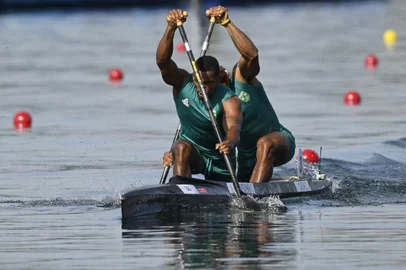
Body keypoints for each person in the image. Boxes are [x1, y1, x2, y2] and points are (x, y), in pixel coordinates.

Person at [205, 5, 296, 183]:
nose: (222, 69)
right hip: (246, 159)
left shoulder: (241, 78)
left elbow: (252, 55)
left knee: (265, 144)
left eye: (219, 68)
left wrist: (226, 23)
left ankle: (255, 200)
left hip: (278, 140)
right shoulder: (209, 100)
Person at [156, 9, 243, 181]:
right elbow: (162, 62)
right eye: (198, 83)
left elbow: (234, 128)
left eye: (208, 83)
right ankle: (181, 193)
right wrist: (171, 28)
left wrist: (229, 143)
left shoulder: (229, 99)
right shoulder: (182, 83)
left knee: (182, 149)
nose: (202, 88)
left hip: (221, 163)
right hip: (192, 155)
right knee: (180, 147)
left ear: (219, 78)